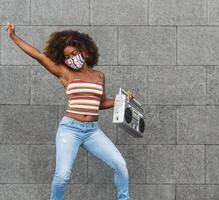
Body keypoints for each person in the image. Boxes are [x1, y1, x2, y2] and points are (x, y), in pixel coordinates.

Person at [5, 22, 135, 200]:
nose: (72, 58)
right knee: (62, 176)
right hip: (70, 129)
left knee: (120, 164)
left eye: (74, 53)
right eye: (67, 57)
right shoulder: (64, 73)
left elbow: (101, 103)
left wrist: (122, 100)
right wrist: (13, 37)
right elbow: (39, 56)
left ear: (83, 50)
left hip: (92, 131)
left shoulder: (99, 76)